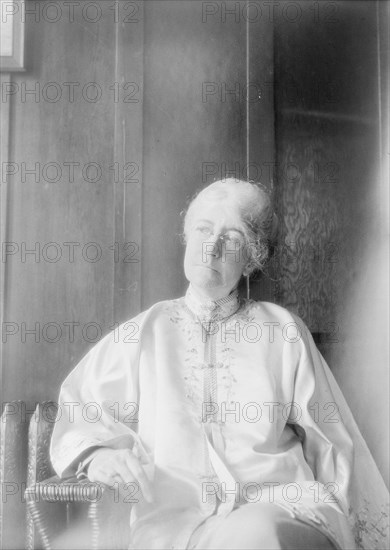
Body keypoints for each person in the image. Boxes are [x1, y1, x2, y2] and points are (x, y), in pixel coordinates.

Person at [50, 179, 389, 550]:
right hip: (174, 525)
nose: (211, 247)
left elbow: (332, 440)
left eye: (232, 238)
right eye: (203, 230)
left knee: (257, 535)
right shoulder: (145, 332)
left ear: (251, 260)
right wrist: (98, 456)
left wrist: (350, 526)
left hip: (281, 510)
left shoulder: (282, 331)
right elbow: (81, 412)